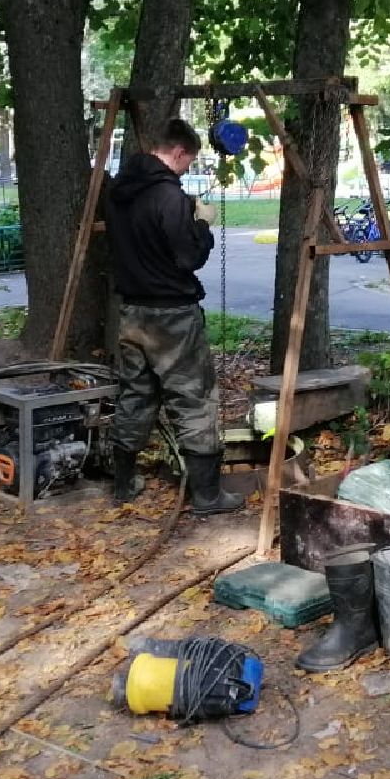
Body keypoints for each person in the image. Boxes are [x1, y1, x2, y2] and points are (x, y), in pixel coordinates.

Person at [105, 118, 243, 514]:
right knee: (193, 399)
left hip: (131, 312)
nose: (188, 168)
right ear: (179, 152)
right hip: (173, 317)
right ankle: (208, 495)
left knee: (135, 394)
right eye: (189, 161)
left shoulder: (117, 191)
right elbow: (189, 258)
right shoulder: (170, 198)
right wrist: (202, 223)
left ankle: (122, 484)